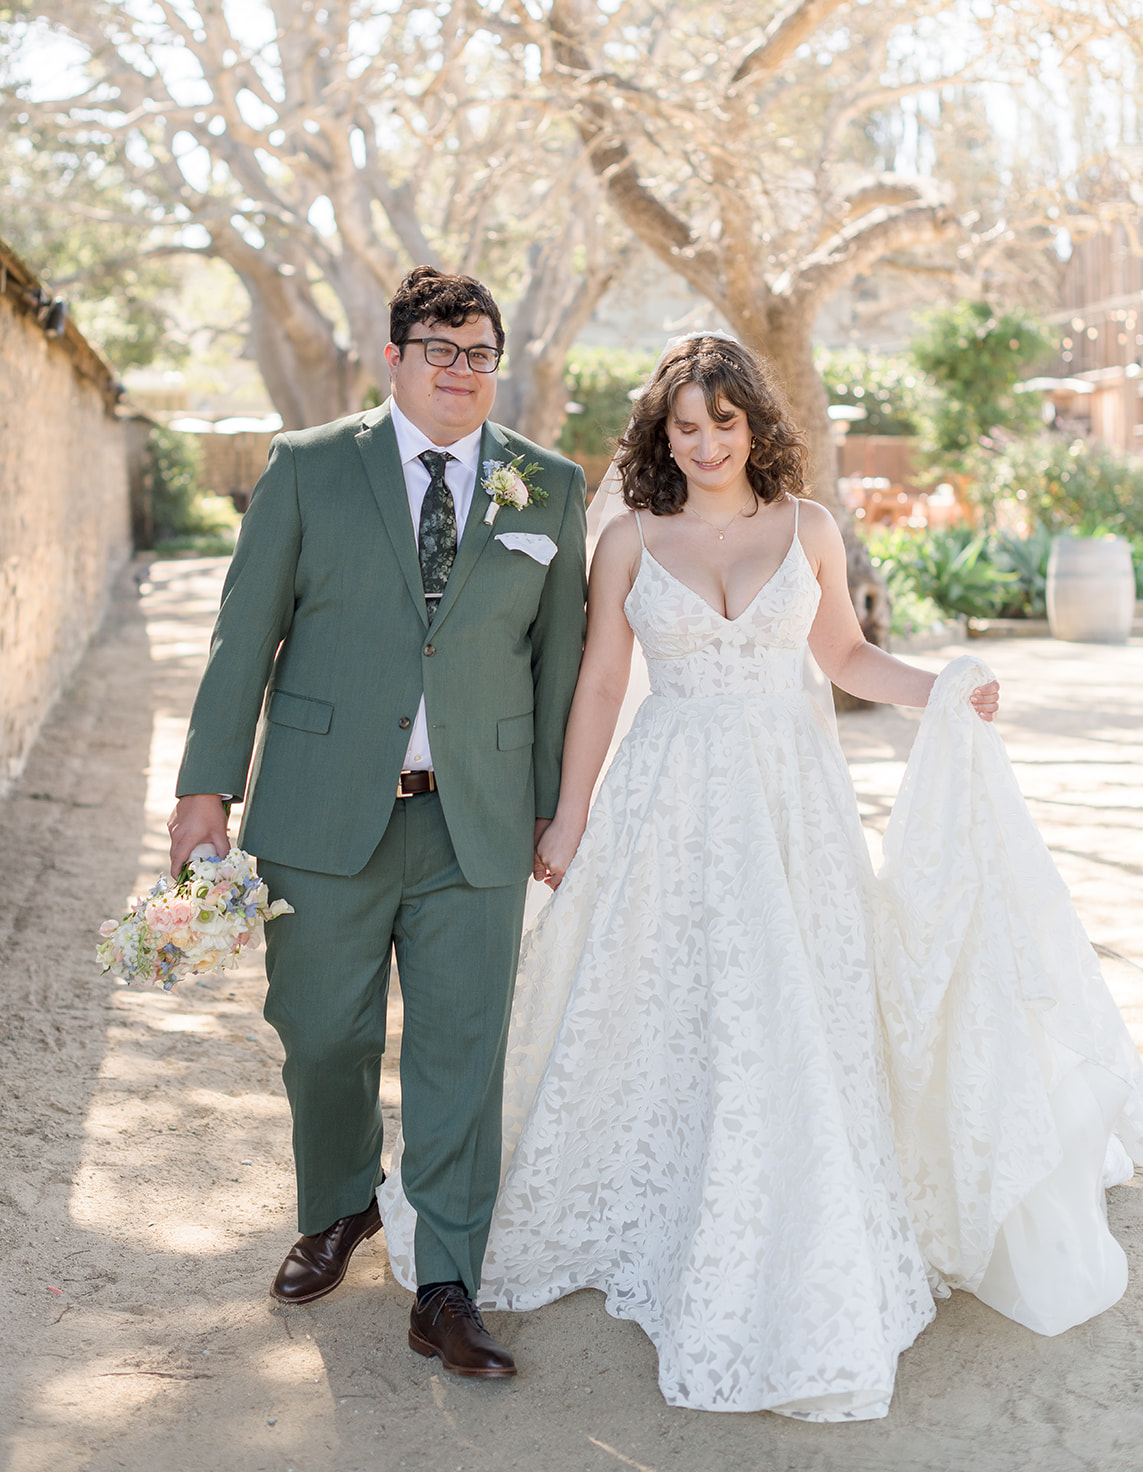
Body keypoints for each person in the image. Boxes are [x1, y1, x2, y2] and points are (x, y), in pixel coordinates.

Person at [376, 331, 1143, 1418]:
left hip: (791, 810)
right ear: (663, 434)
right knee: (664, 998)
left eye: (722, 424)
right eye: (684, 427)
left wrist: (946, 684)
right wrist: (572, 814)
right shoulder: (633, 541)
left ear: (754, 423)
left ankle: (794, 1211)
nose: (703, 445)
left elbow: (843, 661)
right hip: (669, 801)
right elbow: (599, 686)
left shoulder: (809, 528)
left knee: (791, 1006)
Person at [168, 266, 587, 1380]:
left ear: (499, 365)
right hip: (318, 815)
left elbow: (558, 666)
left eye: (480, 352)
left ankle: (444, 1280)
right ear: (393, 358)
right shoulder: (310, 467)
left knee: (461, 1054)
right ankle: (342, 1201)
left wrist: (553, 807)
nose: (461, 371)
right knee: (322, 1033)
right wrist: (205, 787)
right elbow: (241, 630)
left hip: (477, 826)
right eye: (439, 351)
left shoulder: (549, 486)